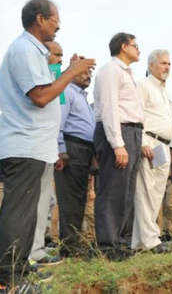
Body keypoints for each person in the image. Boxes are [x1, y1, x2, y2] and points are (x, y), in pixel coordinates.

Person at [0, 0, 95, 288]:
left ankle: (22, 270)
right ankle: (9, 279)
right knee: (18, 214)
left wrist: (67, 71)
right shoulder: (24, 50)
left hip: (35, 146)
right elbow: (40, 96)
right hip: (23, 145)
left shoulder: (34, 52)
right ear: (39, 19)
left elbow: (48, 89)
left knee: (29, 215)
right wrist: (72, 72)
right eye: (55, 19)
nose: (59, 24)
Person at [93, 32, 143, 256]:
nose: (138, 49)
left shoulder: (127, 73)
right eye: (135, 45)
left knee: (126, 190)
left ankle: (121, 241)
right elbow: (109, 108)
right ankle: (108, 245)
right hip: (117, 132)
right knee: (112, 189)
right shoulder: (111, 70)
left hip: (132, 132)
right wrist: (117, 143)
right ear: (124, 46)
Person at [131, 50, 172, 253]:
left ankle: (140, 242)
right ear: (151, 66)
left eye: (168, 63)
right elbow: (135, 114)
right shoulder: (143, 85)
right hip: (150, 141)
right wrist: (141, 142)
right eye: (163, 63)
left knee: (156, 193)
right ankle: (151, 240)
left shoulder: (164, 90)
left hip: (163, 146)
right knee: (146, 191)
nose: (166, 67)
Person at [28, 40, 65, 264]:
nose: (59, 60)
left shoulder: (56, 82)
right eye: (56, 55)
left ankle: (38, 249)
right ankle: (27, 253)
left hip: (49, 147)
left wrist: (58, 148)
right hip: (32, 148)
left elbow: (57, 117)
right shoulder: (39, 83)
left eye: (62, 55)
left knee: (46, 202)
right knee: (33, 203)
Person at [54, 68, 96, 256]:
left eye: (89, 73)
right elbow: (59, 122)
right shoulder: (66, 91)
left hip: (85, 150)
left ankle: (74, 243)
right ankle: (69, 247)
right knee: (70, 198)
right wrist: (61, 150)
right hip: (71, 148)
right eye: (84, 72)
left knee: (80, 198)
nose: (88, 76)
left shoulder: (83, 97)